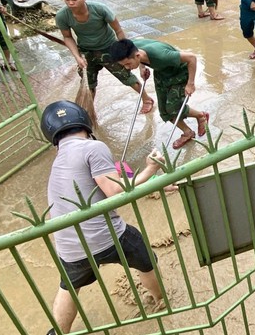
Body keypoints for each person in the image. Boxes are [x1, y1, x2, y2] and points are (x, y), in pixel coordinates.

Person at [41, 100, 165, 335]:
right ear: (85, 124)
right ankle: (161, 301)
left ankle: (57, 332)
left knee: (69, 286)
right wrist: (150, 169)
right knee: (144, 257)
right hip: (106, 236)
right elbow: (114, 192)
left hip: (68, 246)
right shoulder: (93, 147)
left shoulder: (58, 161)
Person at [56, 0, 154, 113]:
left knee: (126, 76)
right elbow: (67, 37)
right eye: (67, 0)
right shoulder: (62, 16)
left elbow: (118, 31)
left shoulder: (100, 9)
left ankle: (147, 99)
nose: (70, 3)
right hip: (86, 51)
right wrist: (77, 57)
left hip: (109, 48)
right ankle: (88, 112)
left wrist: (126, 52)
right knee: (88, 84)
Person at [110, 38, 209, 150]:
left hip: (179, 73)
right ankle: (188, 132)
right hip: (161, 73)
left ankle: (200, 116)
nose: (127, 68)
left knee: (173, 108)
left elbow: (191, 58)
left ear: (137, 56)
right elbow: (139, 51)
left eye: (128, 64)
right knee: (164, 112)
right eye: (124, 65)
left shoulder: (161, 55)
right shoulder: (134, 48)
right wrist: (142, 68)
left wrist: (190, 83)